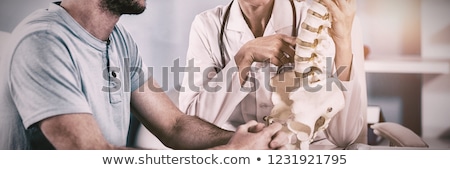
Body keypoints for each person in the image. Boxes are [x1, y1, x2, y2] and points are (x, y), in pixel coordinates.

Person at [0, 0, 288, 150]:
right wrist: (226, 157)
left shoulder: (120, 41)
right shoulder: (44, 40)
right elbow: (89, 156)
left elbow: (175, 127)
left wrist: (242, 140)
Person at [179, 0, 366, 147]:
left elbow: (345, 136)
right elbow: (190, 128)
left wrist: (342, 40)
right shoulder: (207, 26)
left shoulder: (317, 23)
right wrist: (244, 57)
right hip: (241, 152)